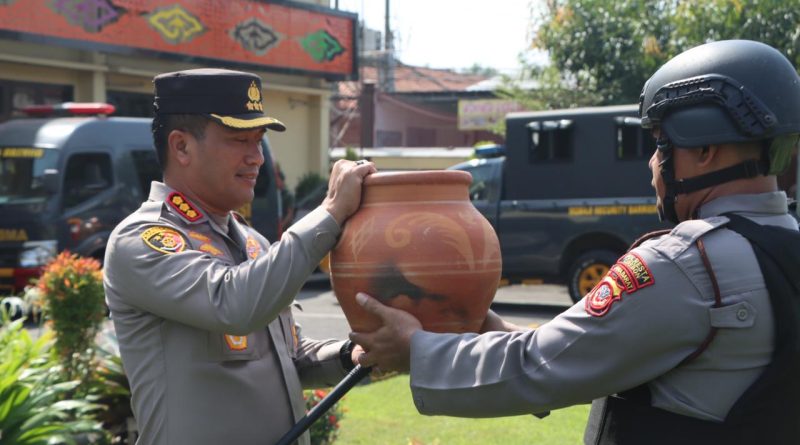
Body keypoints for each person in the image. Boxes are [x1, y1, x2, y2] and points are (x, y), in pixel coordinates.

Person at [350, 40, 800, 444]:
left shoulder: (684, 264)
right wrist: (492, 329)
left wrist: (417, 349)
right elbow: (629, 368)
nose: (652, 166)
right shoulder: (783, 248)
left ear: (704, 150)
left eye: (662, 144)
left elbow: (540, 367)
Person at [103, 68, 376, 445]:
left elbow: (290, 356)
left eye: (259, 140)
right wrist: (329, 212)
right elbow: (234, 305)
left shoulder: (253, 243)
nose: (257, 158)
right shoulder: (143, 239)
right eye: (239, 140)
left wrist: (352, 354)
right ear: (181, 146)